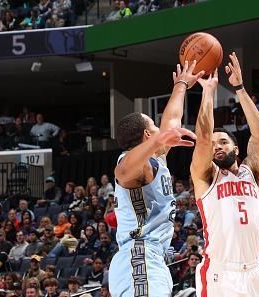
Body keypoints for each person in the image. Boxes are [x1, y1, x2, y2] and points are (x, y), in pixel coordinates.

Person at [108, 60, 203, 297]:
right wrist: (159, 141)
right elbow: (121, 173)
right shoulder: (131, 163)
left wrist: (181, 85)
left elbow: (172, 121)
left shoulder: (155, 158)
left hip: (149, 258)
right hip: (140, 255)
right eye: (154, 127)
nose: (161, 130)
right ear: (148, 135)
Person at [190, 52, 259, 296]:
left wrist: (240, 89)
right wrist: (208, 92)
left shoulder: (252, 172)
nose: (217, 147)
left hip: (254, 271)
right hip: (220, 273)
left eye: (223, 142)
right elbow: (203, 138)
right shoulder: (206, 176)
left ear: (236, 148)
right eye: (214, 145)